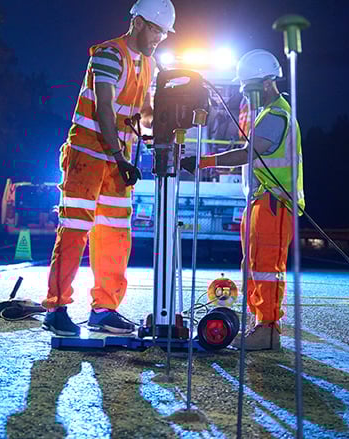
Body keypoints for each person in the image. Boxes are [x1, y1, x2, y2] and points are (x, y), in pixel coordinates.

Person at [41, 0, 176, 336]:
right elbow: (104, 109)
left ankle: (104, 310)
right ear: (139, 23)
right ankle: (56, 307)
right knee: (74, 230)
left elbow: (142, 112)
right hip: (89, 157)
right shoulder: (108, 54)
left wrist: (160, 131)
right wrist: (120, 157)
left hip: (119, 162)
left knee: (115, 236)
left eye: (164, 32)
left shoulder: (149, 65)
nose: (160, 37)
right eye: (157, 29)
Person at [181, 49, 304, 351]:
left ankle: (268, 328)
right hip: (262, 202)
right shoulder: (266, 114)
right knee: (252, 265)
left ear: (265, 84)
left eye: (247, 89)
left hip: (275, 203)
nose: (244, 96)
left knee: (266, 267)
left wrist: (204, 162)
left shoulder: (277, 115)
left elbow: (248, 153)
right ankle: (259, 323)